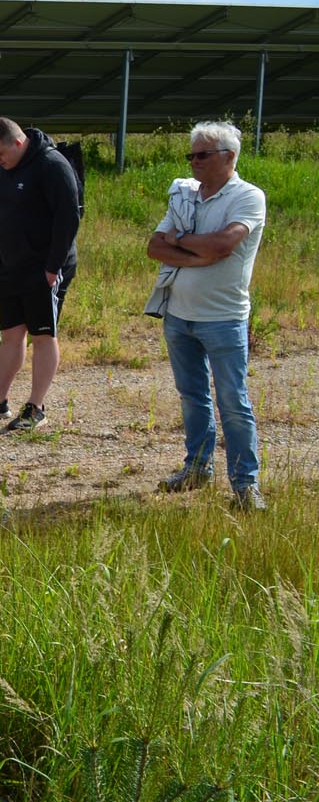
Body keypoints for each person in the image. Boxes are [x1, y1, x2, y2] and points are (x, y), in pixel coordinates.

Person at [145, 121, 267, 510]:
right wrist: (200, 254)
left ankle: (245, 485)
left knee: (233, 401)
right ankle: (197, 468)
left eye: (202, 154)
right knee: (192, 396)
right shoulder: (184, 195)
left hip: (224, 317)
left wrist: (179, 241)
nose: (194, 161)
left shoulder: (248, 197)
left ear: (229, 157)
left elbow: (223, 244)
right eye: (191, 155)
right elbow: (153, 247)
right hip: (178, 315)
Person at [0, 117, 80, 431]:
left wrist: (53, 267)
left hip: (44, 269)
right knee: (11, 334)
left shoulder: (52, 165)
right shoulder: (4, 168)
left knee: (42, 335)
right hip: (10, 266)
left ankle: (36, 406)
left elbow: (69, 217)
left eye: (0, 154)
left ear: (18, 142)